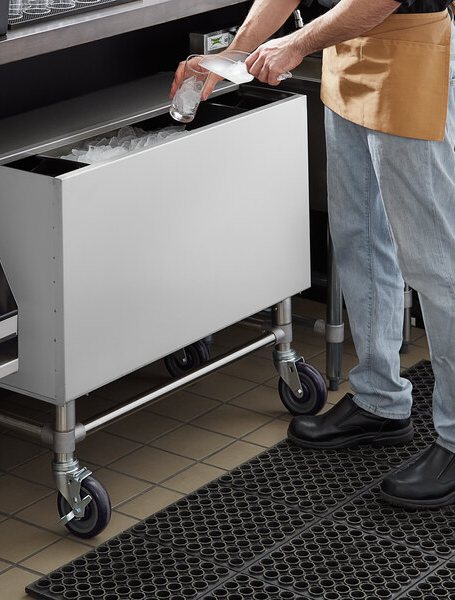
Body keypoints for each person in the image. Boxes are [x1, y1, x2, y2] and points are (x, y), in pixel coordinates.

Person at [171, 0, 455, 509]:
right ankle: (380, 401)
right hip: (345, 54)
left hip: (414, 50)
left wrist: (297, 44)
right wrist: (231, 55)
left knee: (436, 267)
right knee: (359, 240)